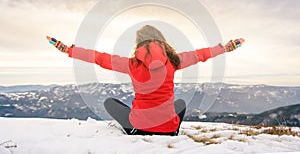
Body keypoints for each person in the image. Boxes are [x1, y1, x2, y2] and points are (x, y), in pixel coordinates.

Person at [47, 25, 244, 136]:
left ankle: (142, 125)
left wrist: (69, 50)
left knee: (110, 103)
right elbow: (201, 54)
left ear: (138, 44)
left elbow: (99, 57)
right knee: (181, 103)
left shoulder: (131, 64)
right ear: (162, 41)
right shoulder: (174, 61)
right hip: (169, 129)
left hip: (138, 128)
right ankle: (171, 128)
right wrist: (225, 48)